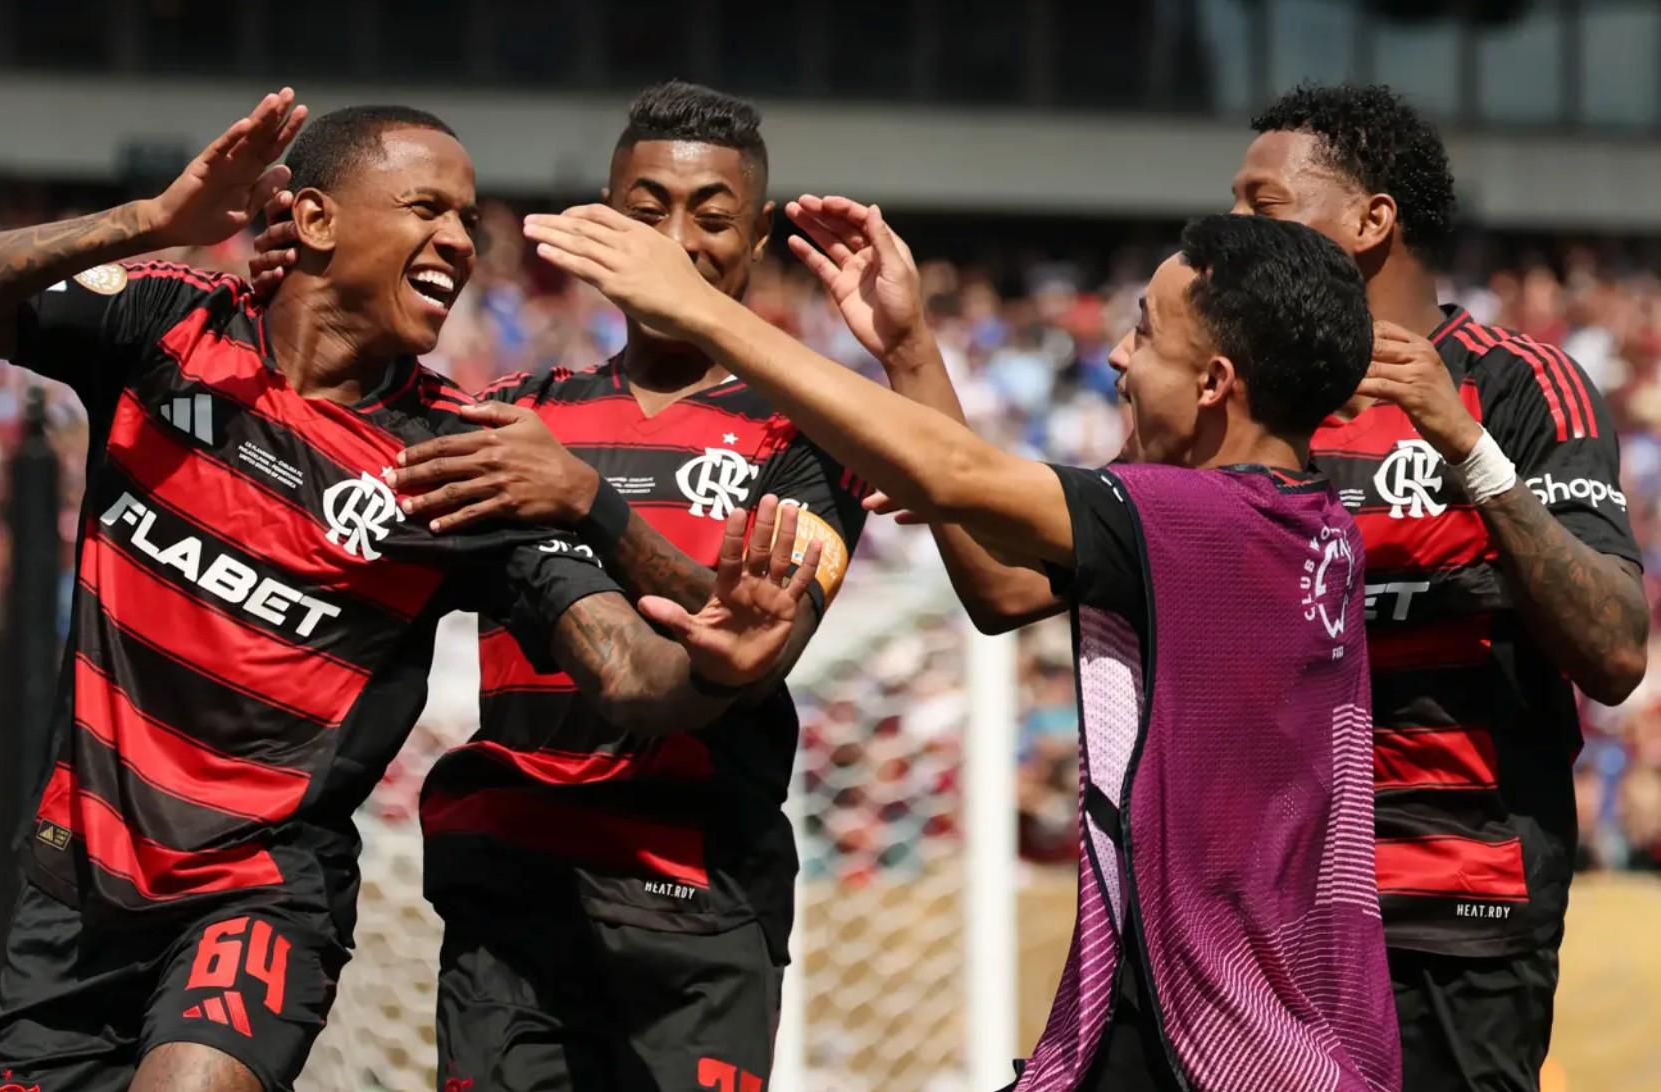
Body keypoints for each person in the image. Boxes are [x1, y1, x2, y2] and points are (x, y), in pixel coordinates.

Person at [0, 90, 819, 1092]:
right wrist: (151, 220)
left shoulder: (457, 460)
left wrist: (721, 643)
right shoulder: (167, 323)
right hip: (74, 878)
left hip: (256, 893)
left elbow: (631, 675)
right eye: (427, 208)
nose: (459, 242)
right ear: (318, 220)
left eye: (467, 220)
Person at [872, 83, 1650, 1092]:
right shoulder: (1233, 402)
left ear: (1371, 220)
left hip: (1446, 911)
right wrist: (908, 351)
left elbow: (1613, 651)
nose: (1231, 222)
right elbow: (1007, 590)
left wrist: (1466, 450)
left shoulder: (1515, 386)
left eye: (1262, 203)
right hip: (1244, 920)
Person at [524, 204, 1399, 1089]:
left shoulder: (1209, 521)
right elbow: (1002, 586)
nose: (1117, 356)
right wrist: (909, 351)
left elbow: (956, 474)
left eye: (1144, 333)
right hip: (1195, 1022)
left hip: (1224, 1048)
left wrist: (702, 310)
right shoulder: (1302, 520)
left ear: (1213, 382)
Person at [258, 80, 866, 1091]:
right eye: (646, 213)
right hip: (511, 891)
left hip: (696, 902)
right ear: (601, 224)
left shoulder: (810, 432)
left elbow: (757, 647)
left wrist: (588, 500)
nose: (675, 242)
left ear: (757, 237)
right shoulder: (508, 415)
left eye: (711, 218)